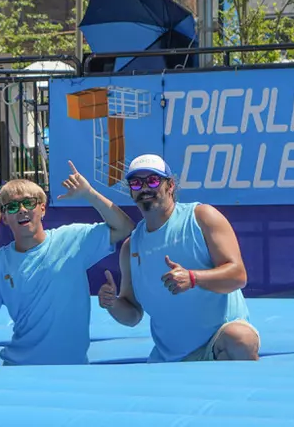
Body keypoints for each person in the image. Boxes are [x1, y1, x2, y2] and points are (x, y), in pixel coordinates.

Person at [0, 165, 135, 366]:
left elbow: (124, 227)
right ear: (4, 218)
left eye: (28, 203)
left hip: (73, 370)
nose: (22, 210)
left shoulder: (72, 238)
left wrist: (89, 194)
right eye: (12, 207)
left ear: (42, 209)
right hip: (19, 370)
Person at [98, 154, 260, 363]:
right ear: (131, 191)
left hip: (217, 346)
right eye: (136, 183)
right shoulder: (131, 247)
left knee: (241, 339)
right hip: (168, 360)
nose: (145, 188)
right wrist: (112, 304)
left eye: (153, 181)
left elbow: (237, 276)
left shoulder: (202, 217)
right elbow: (132, 315)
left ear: (170, 185)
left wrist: (193, 278)